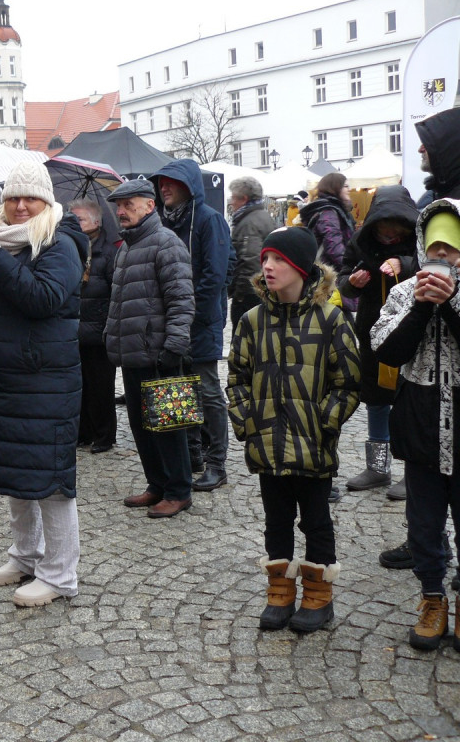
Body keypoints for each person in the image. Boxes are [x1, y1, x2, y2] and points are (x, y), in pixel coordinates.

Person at [0, 161, 88, 606]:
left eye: (30, 198)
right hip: (9, 377)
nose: (20, 206)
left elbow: (41, 298)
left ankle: (60, 573)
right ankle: (26, 555)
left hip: (45, 379)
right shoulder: (6, 244)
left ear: (47, 202)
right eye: (13, 198)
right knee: (16, 473)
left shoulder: (61, 243)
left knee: (50, 480)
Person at [227, 226, 360, 632]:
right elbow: (236, 378)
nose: (267, 266)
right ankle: (280, 592)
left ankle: (319, 597)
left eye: (279, 260)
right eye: (265, 258)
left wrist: (324, 423)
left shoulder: (332, 319)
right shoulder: (252, 320)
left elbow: (349, 382)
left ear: (301, 268)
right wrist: (248, 422)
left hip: (313, 444)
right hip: (267, 443)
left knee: (317, 521)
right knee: (276, 519)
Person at [371, 198, 460, 650]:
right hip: (421, 431)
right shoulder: (405, 292)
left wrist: (451, 308)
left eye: (453, 251)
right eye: (437, 249)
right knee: (424, 527)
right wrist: (423, 307)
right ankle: (431, 598)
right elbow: (387, 351)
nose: (444, 259)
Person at [104, 180, 195, 517]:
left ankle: (178, 490)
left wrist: (174, 344)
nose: (120, 211)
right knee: (142, 426)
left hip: (159, 353)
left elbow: (182, 300)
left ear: (149, 206)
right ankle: (157, 484)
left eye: (128, 204)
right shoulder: (127, 246)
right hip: (133, 353)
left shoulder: (165, 243)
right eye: (118, 205)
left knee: (169, 425)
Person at [150, 159, 233, 492]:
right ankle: (190, 455)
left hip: (201, 322)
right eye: (161, 182)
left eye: (170, 182)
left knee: (208, 392)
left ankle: (217, 463)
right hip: (175, 322)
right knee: (177, 388)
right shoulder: (165, 222)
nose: (163, 187)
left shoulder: (210, 221)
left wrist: (187, 315)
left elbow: (214, 276)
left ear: (188, 185)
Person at [337, 186, 419, 493]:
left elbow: (437, 265)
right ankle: (377, 468)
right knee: (375, 398)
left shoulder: (421, 238)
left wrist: (404, 263)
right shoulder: (360, 241)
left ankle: (413, 471)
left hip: (412, 331)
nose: (388, 238)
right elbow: (344, 278)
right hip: (372, 330)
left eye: (395, 233)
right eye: (384, 233)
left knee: (409, 401)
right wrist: (352, 283)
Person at [70, 198, 118, 454]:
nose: (74, 223)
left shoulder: (109, 252)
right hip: (75, 330)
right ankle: (83, 432)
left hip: (99, 332)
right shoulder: (70, 249)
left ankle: (104, 435)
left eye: (79, 219)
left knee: (101, 388)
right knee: (80, 386)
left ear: (97, 222)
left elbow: (115, 293)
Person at [228, 176, 276, 326]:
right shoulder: (261, 216)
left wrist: (240, 296)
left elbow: (250, 262)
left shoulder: (248, 223)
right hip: (262, 292)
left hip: (250, 296)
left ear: (244, 199)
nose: (231, 202)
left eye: (234, 197)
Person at [301, 172, 355, 277]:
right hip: (330, 275)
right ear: (335, 188)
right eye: (345, 186)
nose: (349, 189)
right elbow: (334, 247)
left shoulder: (331, 209)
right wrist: (350, 268)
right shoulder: (328, 212)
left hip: (329, 272)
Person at [414, 105, 460, 208]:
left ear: (446, 148)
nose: (420, 150)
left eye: (427, 144)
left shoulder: (452, 199)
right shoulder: (439, 192)